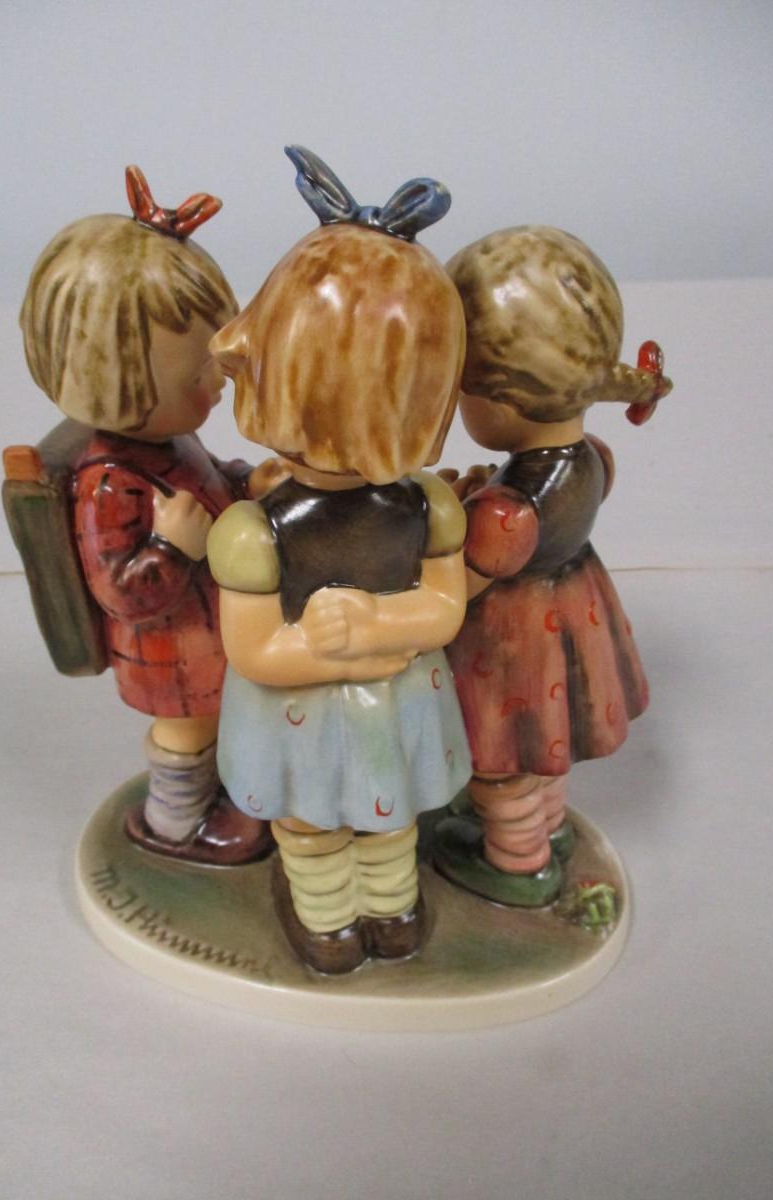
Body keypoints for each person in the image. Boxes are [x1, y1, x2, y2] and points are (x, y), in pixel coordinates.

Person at [206, 147, 472, 972]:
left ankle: (390, 911)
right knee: (315, 821)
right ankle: (330, 919)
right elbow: (254, 650)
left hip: (374, 698)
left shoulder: (428, 507)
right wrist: (361, 651)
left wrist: (374, 626)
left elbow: (446, 607)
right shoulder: (253, 532)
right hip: (323, 709)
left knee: (385, 817)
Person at [18, 166, 273, 864]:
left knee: (223, 723)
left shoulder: (170, 440)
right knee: (187, 735)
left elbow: (207, 485)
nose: (219, 384)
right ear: (120, 383)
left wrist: (245, 481)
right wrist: (171, 547)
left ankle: (224, 801)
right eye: (199, 375)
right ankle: (173, 822)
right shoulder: (109, 482)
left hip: (210, 634)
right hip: (172, 654)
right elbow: (121, 591)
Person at [436, 225, 672, 906]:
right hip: (574, 615)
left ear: (505, 394)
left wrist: (442, 523)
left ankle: (518, 860)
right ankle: (546, 825)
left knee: (503, 764)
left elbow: (455, 589)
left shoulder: (506, 512)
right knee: (546, 745)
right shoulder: (593, 457)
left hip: (511, 647)